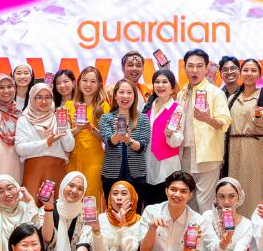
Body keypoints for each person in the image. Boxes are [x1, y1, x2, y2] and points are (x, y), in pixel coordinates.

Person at [176, 49, 232, 212]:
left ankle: (208, 238)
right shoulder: (181, 94)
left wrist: (208, 118)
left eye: (199, 66)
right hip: (185, 154)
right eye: (190, 66)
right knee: (187, 202)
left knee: (205, 204)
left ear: (207, 68)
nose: (194, 70)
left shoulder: (215, 93)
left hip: (207, 156)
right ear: (185, 68)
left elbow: (225, 122)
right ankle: (190, 237)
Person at [225, 59, 263, 217]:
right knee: (234, 189)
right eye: (245, 70)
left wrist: (258, 113)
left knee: (254, 189)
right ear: (240, 72)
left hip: (254, 147)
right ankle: (236, 227)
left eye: (253, 70)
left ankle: (257, 227)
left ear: (260, 75)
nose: (249, 74)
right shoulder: (232, 98)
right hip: (233, 148)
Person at [14, 84, 75, 197]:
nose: (44, 101)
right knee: (32, 208)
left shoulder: (58, 117)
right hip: (34, 171)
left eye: (48, 97)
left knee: (56, 210)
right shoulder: (24, 120)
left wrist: (63, 128)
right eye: (39, 97)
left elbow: (69, 147)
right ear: (32, 98)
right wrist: (46, 142)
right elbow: (20, 149)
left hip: (57, 169)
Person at [99, 79, 151, 201]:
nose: (125, 96)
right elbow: (108, 143)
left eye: (129, 92)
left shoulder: (143, 118)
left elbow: (142, 147)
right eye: (121, 92)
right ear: (115, 96)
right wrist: (117, 135)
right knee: (112, 213)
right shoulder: (106, 118)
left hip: (136, 175)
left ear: (134, 96)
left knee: (135, 213)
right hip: (111, 174)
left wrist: (128, 140)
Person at [66, 66, 108, 210]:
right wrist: (77, 129)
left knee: (91, 197)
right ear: (78, 83)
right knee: (70, 196)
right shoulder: (69, 106)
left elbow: (108, 139)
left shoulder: (104, 108)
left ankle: (92, 230)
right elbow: (63, 136)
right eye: (85, 80)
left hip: (94, 160)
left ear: (99, 85)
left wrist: (92, 128)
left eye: (93, 81)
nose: (88, 85)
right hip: (72, 157)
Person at [142, 69, 183, 206]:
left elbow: (177, 141)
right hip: (147, 160)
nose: (160, 85)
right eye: (157, 82)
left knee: (164, 204)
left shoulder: (177, 109)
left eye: (165, 82)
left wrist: (170, 134)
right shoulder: (147, 107)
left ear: (172, 88)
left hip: (166, 164)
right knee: (148, 204)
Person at [41, 171, 95, 251]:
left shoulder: (86, 212)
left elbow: (86, 237)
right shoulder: (46, 208)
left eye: (80, 188)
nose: (74, 190)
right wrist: (48, 208)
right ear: (63, 185)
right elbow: (47, 238)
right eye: (71, 185)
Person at [92, 181, 143, 251]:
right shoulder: (100, 219)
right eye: (115, 194)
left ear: (132, 197)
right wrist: (96, 231)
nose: (119, 198)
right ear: (109, 197)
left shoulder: (140, 222)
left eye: (124, 194)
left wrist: (123, 222)